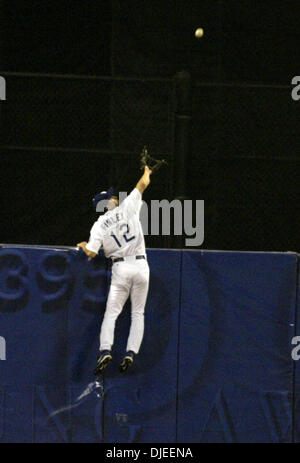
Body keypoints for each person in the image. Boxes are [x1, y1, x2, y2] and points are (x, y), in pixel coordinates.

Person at [77, 165, 152, 374]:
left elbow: (91, 253)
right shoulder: (127, 206)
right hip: (140, 265)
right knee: (138, 313)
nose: (114, 199)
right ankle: (131, 353)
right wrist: (147, 171)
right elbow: (143, 184)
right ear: (108, 203)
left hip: (120, 268)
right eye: (111, 198)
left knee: (111, 314)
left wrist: (83, 245)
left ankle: (105, 351)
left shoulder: (99, 225)